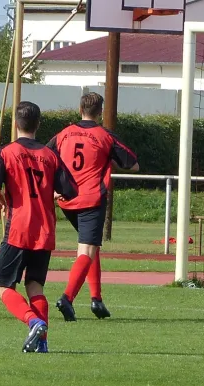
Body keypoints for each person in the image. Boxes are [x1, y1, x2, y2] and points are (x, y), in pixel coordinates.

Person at [0, 101, 78, 353]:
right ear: (38, 125)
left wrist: (0, 199)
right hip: (45, 230)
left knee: (3, 286)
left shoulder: (5, 152)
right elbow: (70, 191)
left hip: (18, 229)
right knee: (35, 285)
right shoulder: (51, 156)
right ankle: (43, 342)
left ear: (16, 123)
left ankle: (33, 321)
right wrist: (48, 197)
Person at [47, 92, 139, 322]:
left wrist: (55, 187)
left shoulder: (64, 134)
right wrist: (110, 160)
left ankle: (96, 299)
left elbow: (47, 158)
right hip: (91, 200)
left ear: (80, 110)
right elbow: (133, 164)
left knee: (91, 246)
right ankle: (67, 297)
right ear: (100, 112)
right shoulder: (104, 136)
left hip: (67, 201)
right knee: (86, 250)